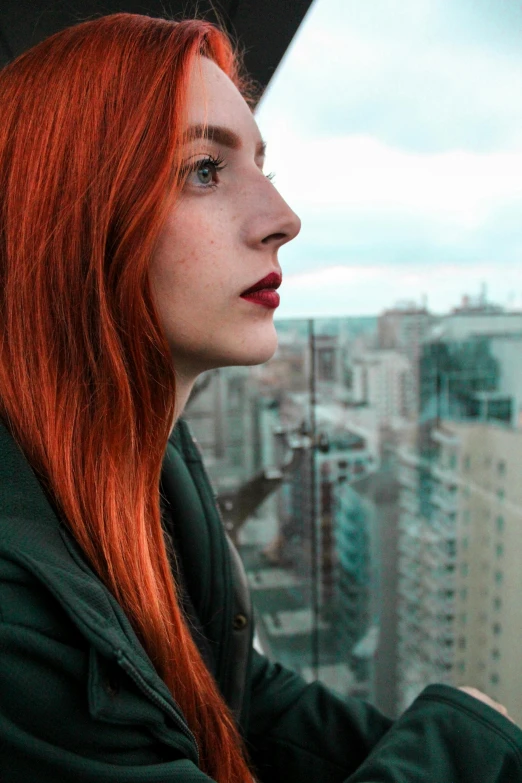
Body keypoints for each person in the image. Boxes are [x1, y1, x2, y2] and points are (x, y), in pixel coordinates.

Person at [0, 12, 521, 783]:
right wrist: (462, 731)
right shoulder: (14, 598)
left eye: (261, 165)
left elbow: (238, 693)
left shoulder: (149, 461)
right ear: (74, 218)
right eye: (205, 169)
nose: (284, 220)